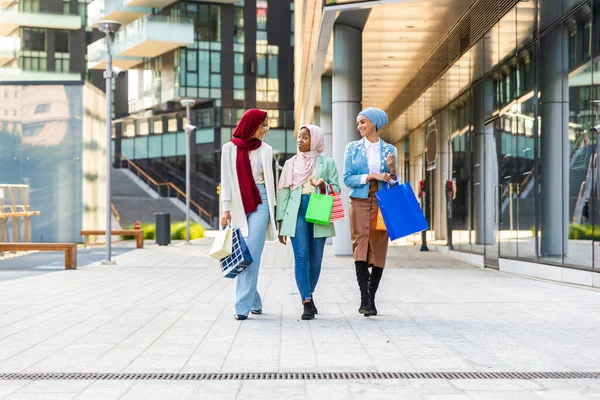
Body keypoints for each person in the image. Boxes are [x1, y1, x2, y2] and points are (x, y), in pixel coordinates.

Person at [276, 125, 340, 320]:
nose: (300, 140)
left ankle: (309, 294)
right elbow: (284, 193)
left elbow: (336, 188)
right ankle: (305, 301)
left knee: (316, 258)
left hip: (318, 208)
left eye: (305, 137)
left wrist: (323, 184)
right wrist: (281, 223)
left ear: (316, 140)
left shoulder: (327, 163)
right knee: (301, 257)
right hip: (296, 211)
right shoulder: (290, 163)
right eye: (299, 137)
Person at [220, 109, 277, 320]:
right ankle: (254, 299)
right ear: (251, 125)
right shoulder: (229, 149)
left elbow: (270, 183)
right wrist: (225, 209)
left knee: (251, 250)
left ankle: (241, 307)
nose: (265, 130)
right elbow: (226, 180)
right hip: (238, 203)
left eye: (266, 126)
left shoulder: (266, 149)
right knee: (245, 254)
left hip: (261, 201)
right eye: (263, 126)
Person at [343, 107, 398, 317]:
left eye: (363, 122)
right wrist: (371, 175)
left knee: (379, 244)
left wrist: (391, 171)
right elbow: (347, 178)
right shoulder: (352, 148)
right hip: (358, 200)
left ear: (374, 123)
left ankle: (371, 298)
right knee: (359, 243)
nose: (359, 126)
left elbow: (394, 182)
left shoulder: (390, 150)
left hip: (383, 202)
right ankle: (364, 298)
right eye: (358, 123)